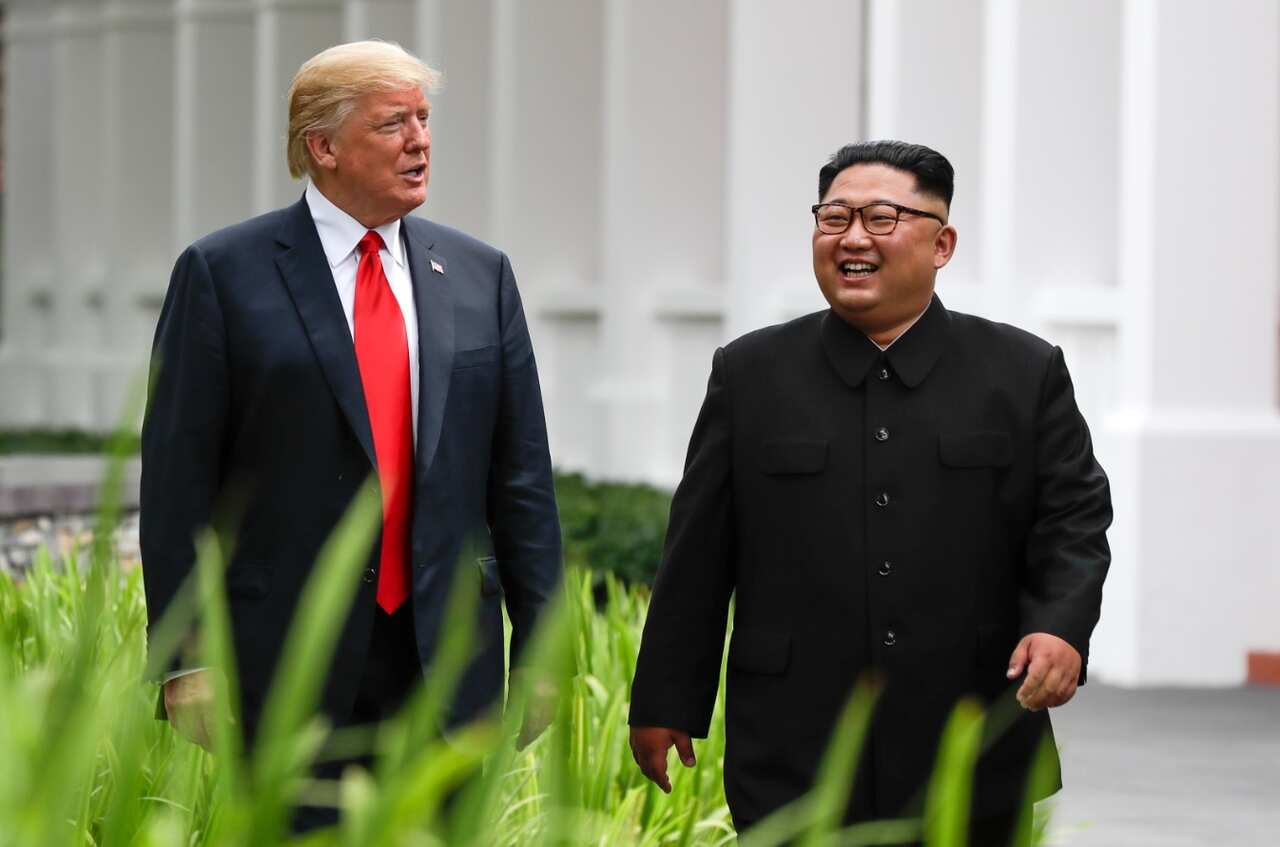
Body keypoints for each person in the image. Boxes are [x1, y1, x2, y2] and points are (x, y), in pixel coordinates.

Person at [628, 140, 1111, 845]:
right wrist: (666, 698)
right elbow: (699, 551)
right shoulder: (751, 374)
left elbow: (1073, 518)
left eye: (882, 218)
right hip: (793, 744)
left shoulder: (1021, 371)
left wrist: (1061, 626)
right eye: (835, 218)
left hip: (971, 734)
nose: (853, 237)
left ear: (942, 244)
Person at [140, 40, 561, 829]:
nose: (420, 141)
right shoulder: (222, 274)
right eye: (393, 123)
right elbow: (177, 482)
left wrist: (541, 650)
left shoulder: (482, 275)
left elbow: (522, 481)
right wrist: (184, 655)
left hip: (448, 664)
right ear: (323, 147)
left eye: (424, 120)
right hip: (289, 665)